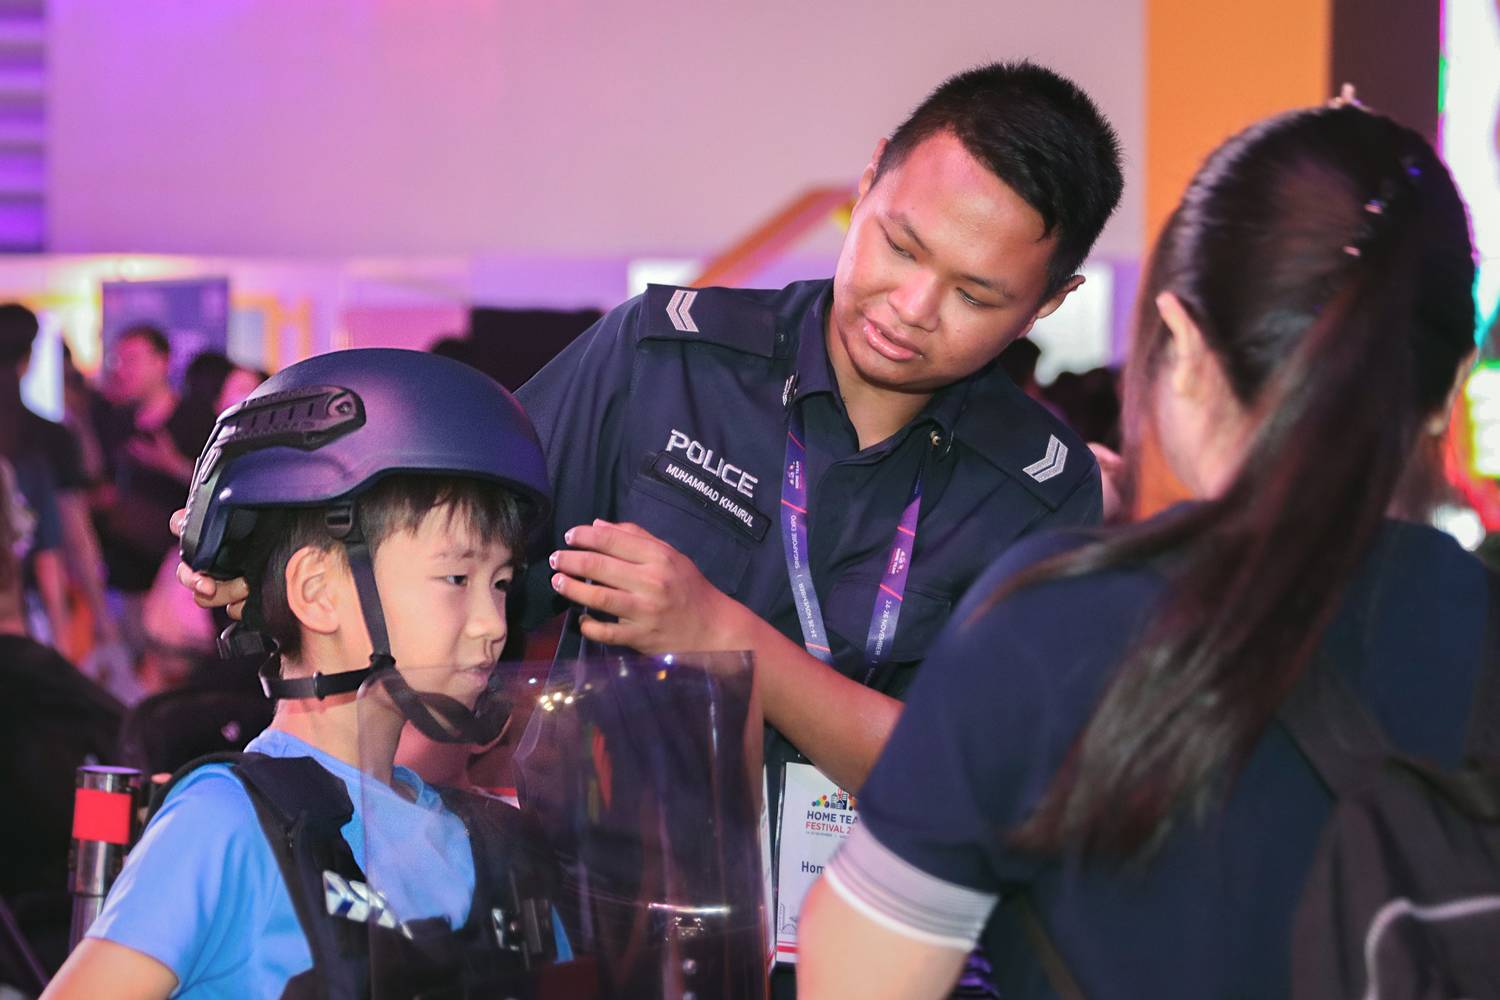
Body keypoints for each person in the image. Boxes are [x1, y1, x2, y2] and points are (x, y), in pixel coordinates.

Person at [175, 61, 1123, 992]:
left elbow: (987, 789)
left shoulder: (1041, 495)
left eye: (975, 295)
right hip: (592, 933)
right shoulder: (667, 361)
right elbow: (444, 553)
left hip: (872, 958)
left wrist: (726, 638)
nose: (910, 310)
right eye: (901, 247)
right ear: (869, 177)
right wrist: (271, 557)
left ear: (1050, 301)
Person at [796, 102, 1483, 997]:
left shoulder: (1052, 626)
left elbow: (858, 983)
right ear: (1445, 393)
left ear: (1184, 347)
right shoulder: (1477, 620)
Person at [43, 348, 555, 999]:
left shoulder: (486, 845)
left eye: (502, 582)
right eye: (457, 577)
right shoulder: (225, 822)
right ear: (317, 591)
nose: (492, 623)